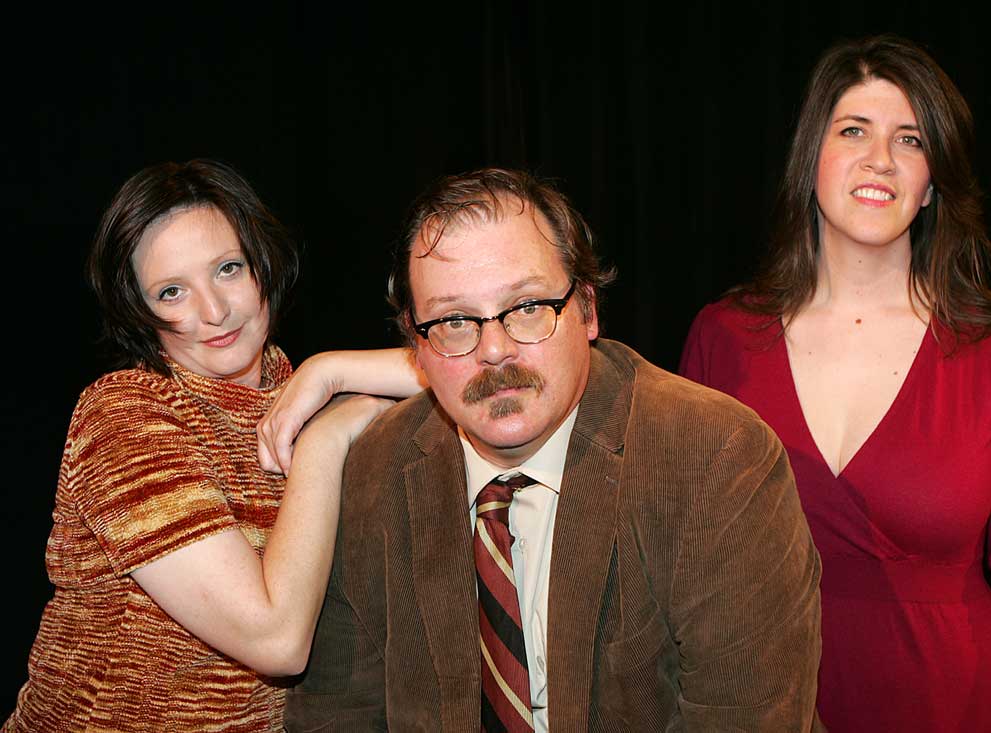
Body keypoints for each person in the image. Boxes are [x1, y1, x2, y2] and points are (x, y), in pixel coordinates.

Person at [274, 167, 824, 731]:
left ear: (587, 309)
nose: (495, 349)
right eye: (455, 320)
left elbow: (746, 719)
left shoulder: (717, 458)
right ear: (418, 346)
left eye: (528, 307)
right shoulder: (375, 471)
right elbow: (336, 716)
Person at [679, 35, 991, 733]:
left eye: (911, 140)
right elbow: (677, 562)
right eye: (854, 130)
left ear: (933, 185)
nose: (880, 160)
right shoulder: (723, 339)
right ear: (812, 159)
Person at [2, 159, 422, 732]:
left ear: (263, 266)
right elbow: (274, 641)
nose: (213, 311)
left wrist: (330, 369)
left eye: (228, 269)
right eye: (171, 291)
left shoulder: (291, 391)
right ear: (138, 309)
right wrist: (325, 437)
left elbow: (481, 364)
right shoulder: (127, 415)